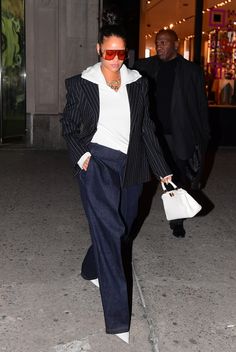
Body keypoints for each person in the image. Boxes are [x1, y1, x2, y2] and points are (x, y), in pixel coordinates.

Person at [61, 12, 172, 344]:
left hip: (133, 164)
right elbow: (68, 127)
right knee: (110, 233)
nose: (114, 59)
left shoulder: (138, 83)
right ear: (98, 49)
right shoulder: (81, 84)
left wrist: (162, 169)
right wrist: (83, 157)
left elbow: (146, 129)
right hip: (97, 163)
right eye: (108, 52)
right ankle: (118, 320)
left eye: (120, 53)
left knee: (123, 225)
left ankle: (89, 268)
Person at [134, 29, 210, 238]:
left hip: (177, 135)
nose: (160, 46)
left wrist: (202, 135)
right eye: (158, 42)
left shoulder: (191, 71)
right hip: (150, 134)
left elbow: (199, 105)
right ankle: (133, 218)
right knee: (141, 178)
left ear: (176, 45)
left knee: (176, 180)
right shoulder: (144, 67)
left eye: (164, 42)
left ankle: (177, 221)